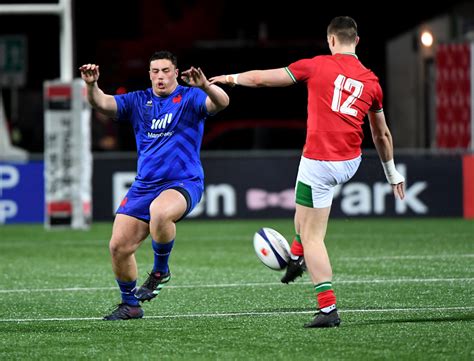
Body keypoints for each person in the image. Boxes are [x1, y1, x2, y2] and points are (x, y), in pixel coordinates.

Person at [210, 16, 405, 328]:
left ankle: (328, 308)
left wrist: (230, 78)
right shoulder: (372, 81)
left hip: (321, 161)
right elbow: (381, 135)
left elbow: (262, 79)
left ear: (330, 40)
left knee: (314, 234)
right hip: (349, 161)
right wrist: (392, 173)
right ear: (356, 41)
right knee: (302, 214)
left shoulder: (316, 65)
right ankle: (297, 255)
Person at [79, 51, 229, 320]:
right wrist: (91, 85)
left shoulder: (190, 97)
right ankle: (130, 305)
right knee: (119, 247)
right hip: (144, 185)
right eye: (155, 71)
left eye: (165, 70)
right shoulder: (138, 100)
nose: (160, 76)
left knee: (160, 211)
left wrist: (206, 85)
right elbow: (102, 104)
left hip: (183, 182)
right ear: (149, 74)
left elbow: (221, 102)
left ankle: (160, 271)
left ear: (175, 72)